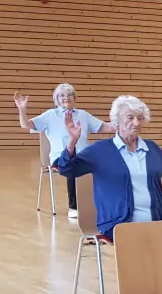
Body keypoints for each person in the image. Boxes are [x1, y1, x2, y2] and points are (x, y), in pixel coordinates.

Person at [51, 96, 162, 239]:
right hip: (118, 225)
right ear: (116, 122)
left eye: (140, 118)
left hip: (158, 221)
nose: (136, 122)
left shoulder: (151, 148)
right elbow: (67, 169)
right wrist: (72, 142)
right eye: (130, 117)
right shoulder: (101, 150)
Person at [14, 83, 114, 221]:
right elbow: (26, 125)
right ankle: (74, 207)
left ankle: (106, 205)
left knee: (108, 165)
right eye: (62, 95)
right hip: (61, 158)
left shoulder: (83, 115)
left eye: (69, 94)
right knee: (72, 164)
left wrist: (123, 119)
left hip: (85, 156)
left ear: (74, 98)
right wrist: (22, 110)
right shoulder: (50, 115)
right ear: (56, 99)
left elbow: (107, 127)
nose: (66, 97)